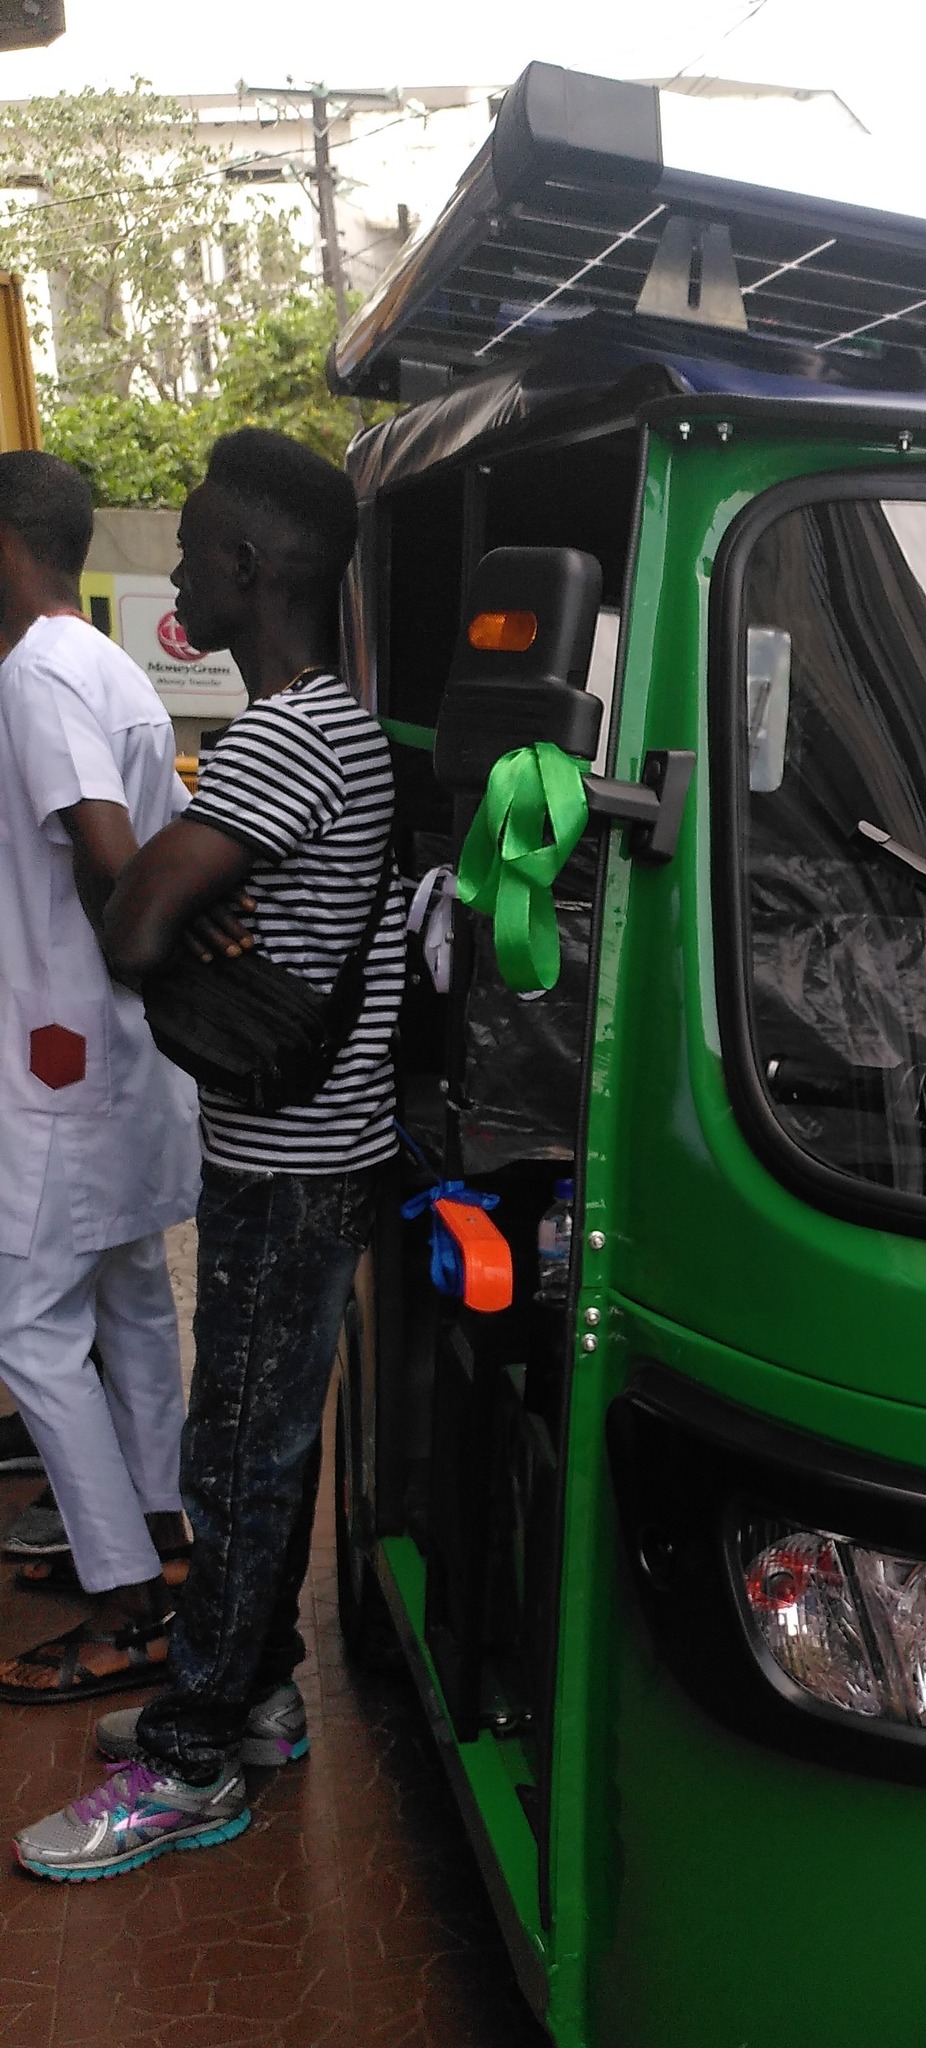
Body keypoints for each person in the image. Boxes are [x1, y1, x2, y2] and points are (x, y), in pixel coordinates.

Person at [13, 429, 401, 1880]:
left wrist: (172, 897)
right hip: (301, 1143)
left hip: (291, 1160)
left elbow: (131, 927)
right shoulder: (320, 728)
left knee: (237, 1454)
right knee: (258, 1441)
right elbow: (164, 901)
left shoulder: (290, 738)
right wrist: (183, 884)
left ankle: (189, 1761)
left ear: (248, 566)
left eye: (188, 549)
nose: (172, 572)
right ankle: (261, 1696)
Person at [0, 452, 198, 1708]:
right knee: (128, 1299)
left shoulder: (34, 672)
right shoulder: (111, 661)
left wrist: (136, 939)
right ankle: (161, 1533)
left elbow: (111, 855)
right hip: (120, 1048)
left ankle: (127, 1598)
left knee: (27, 1325)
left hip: (60, 1050)